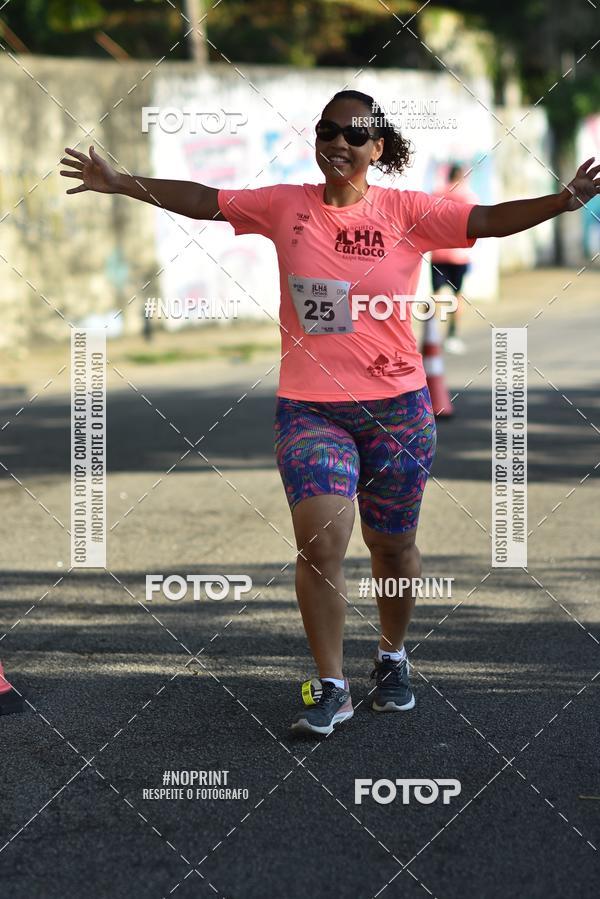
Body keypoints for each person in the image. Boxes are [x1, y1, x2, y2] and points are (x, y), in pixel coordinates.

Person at [60, 90, 599, 738]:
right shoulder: (286, 204)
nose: (338, 141)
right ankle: (332, 685)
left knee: (393, 548)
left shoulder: (409, 211)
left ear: (377, 147)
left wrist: (563, 200)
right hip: (311, 408)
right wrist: (123, 183)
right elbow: (207, 199)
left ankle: (392, 656)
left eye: (353, 133)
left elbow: (487, 218)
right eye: (327, 130)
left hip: (398, 410)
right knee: (320, 543)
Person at [430, 162, 479, 354]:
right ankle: (452, 336)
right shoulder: (468, 196)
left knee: (435, 296)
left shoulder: (436, 194)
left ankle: (430, 334)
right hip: (459, 255)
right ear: (461, 176)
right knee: (457, 297)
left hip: (438, 253)